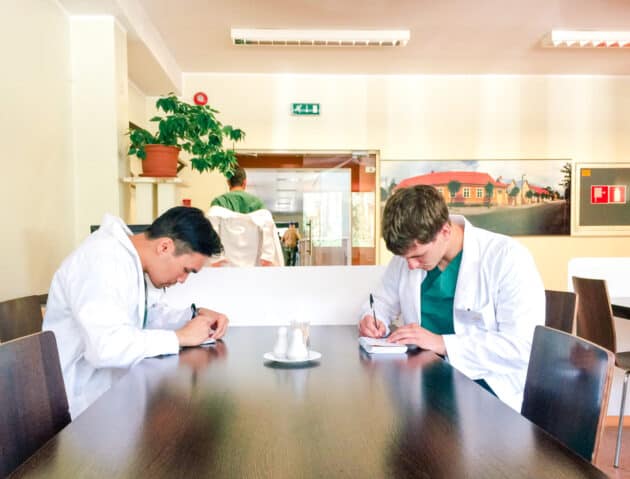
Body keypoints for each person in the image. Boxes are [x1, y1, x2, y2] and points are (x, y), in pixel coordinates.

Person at [358, 185, 544, 410]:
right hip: (425, 379)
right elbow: (381, 301)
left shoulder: (507, 258)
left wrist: (442, 343)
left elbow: (523, 346)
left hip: (487, 390)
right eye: (405, 257)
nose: (411, 265)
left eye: (418, 256)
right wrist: (373, 318)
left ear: (445, 230)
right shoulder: (408, 256)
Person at [43, 206, 229, 418]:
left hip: (114, 397)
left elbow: (143, 318)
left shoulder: (126, 259)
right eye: (186, 270)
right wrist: (179, 337)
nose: (182, 280)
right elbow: (106, 347)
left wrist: (194, 315)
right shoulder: (102, 260)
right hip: (84, 411)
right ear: (165, 247)